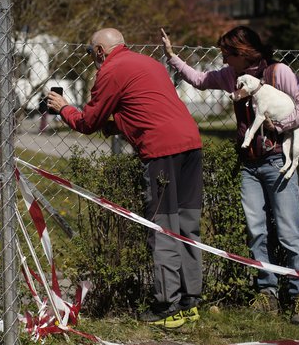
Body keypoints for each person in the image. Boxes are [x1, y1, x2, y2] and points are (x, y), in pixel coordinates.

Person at [47, 28, 204, 328]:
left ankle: (167, 306)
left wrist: (63, 108)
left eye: (91, 54)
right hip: (191, 144)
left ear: (99, 52)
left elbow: (88, 122)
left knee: (163, 227)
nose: (93, 61)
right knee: (187, 224)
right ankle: (190, 300)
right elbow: (146, 107)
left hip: (161, 153)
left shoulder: (110, 71)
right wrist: (118, 125)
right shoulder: (148, 63)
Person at [161, 26, 299, 325]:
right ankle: (267, 293)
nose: (222, 59)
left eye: (226, 54)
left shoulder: (278, 72)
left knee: (289, 231)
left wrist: (281, 125)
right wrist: (172, 58)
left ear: (242, 53)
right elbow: (200, 80)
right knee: (256, 231)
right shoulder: (230, 76)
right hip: (250, 165)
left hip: (277, 161)